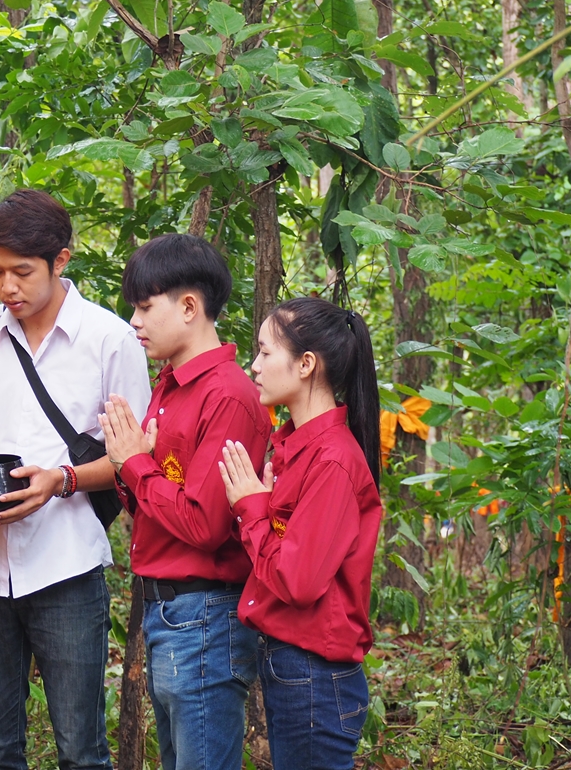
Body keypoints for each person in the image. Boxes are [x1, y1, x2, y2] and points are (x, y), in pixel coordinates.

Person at [0, 189, 151, 770]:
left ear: (62, 261)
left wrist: (60, 479)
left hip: (67, 566)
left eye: (21, 272)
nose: (7, 287)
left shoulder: (110, 340)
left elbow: (134, 459)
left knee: (81, 750)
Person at [99, 234, 270, 770]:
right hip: (169, 612)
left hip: (204, 614)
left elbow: (203, 524)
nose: (135, 321)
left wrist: (134, 463)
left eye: (146, 307)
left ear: (190, 307)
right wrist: (132, 466)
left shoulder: (227, 395)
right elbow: (155, 505)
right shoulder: (170, 386)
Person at [217, 297, 383, 770]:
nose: (254, 365)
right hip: (295, 665)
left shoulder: (331, 461)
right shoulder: (295, 448)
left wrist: (251, 508)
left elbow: (299, 580)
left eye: (266, 353)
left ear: (306, 364)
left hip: (314, 672)